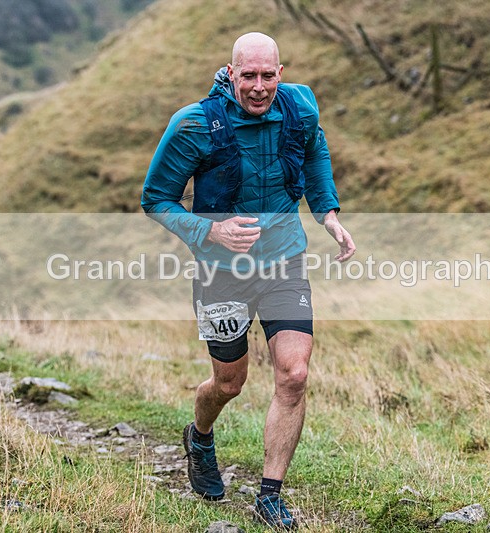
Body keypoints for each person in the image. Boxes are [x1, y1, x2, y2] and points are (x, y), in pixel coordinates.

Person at [141, 32, 355, 529]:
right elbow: (156, 199)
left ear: (281, 73)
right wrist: (210, 230)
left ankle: (269, 496)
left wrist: (327, 213)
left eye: (268, 75)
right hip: (221, 272)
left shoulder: (300, 106)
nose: (259, 87)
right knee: (228, 383)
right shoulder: (194, 124)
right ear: (231, 72)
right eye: (249, 76)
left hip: (284, 261)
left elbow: (315, 153)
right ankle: (200, 436)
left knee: (294, 375)